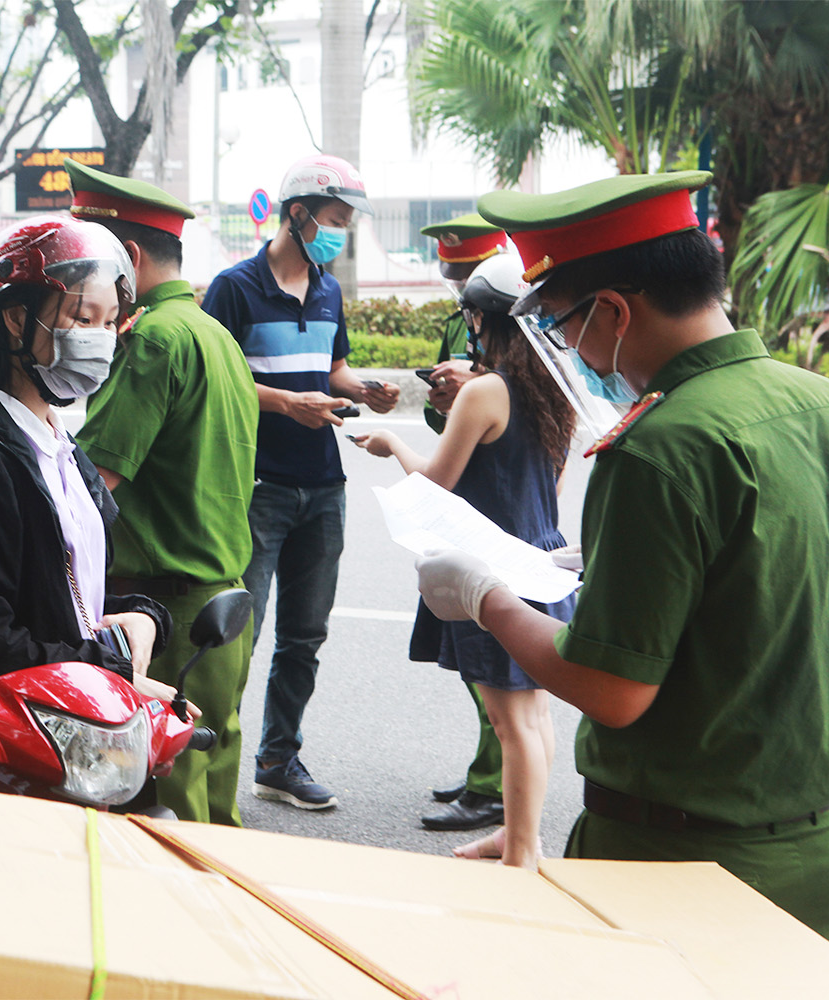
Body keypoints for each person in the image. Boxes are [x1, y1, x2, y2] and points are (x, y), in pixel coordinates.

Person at [416, 171, 829, 945]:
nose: (567, 350)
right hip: (817, 856)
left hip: (673, 863)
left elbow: (610, 689)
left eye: (562, 325)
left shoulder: (660, 448)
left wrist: (485, 596)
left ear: (614, 312)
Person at [353, 254, 576, 868]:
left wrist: (391, 440)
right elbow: (546, 489)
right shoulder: (552, 386)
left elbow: (436, 484)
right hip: (542, 556)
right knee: (533, 714)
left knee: (510, 724)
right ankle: (515, 836)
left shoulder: (485, 391)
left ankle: (522, 854)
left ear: (480, 319)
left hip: (492, 570)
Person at [0, 216, 182, 717]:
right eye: (82, 319)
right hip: (22, 732)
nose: (100, 339)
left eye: (108, 322)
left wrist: (144, 619)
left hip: (76, 720)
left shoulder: (60, 446)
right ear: (16, 319)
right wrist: (114, 673)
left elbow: (78, 594)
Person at [202, 154, 400, 810]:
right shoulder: (234, 288)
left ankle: (277, 759)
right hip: (259, 486)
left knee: (304, 635)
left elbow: (333, 368)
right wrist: (289, 404)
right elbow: (219, 381)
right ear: (299, 213)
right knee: (239, 635)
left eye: (346, 223)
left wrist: (365, 390)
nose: (341, 234)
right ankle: (205, 760)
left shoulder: (327, 290)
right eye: (336, 221)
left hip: (324, 487)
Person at [64, 158, 259, 825]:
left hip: (165, 612)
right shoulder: (215, 334)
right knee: (212, 797)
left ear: (131, 257)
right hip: (223, 601)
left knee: (164, 813)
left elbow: (96, 480)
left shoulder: (152, 339)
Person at [412, 213, 510, 833]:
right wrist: (444, 402)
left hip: (493, 516)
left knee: (497, 673)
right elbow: (446, 429)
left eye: (466, 279)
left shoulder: (524, 347)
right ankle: (485, 772)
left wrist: (473, 392)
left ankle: (492, 788)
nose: (459, 297)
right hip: (469, 505)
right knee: (476, 664)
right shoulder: (463, 321)